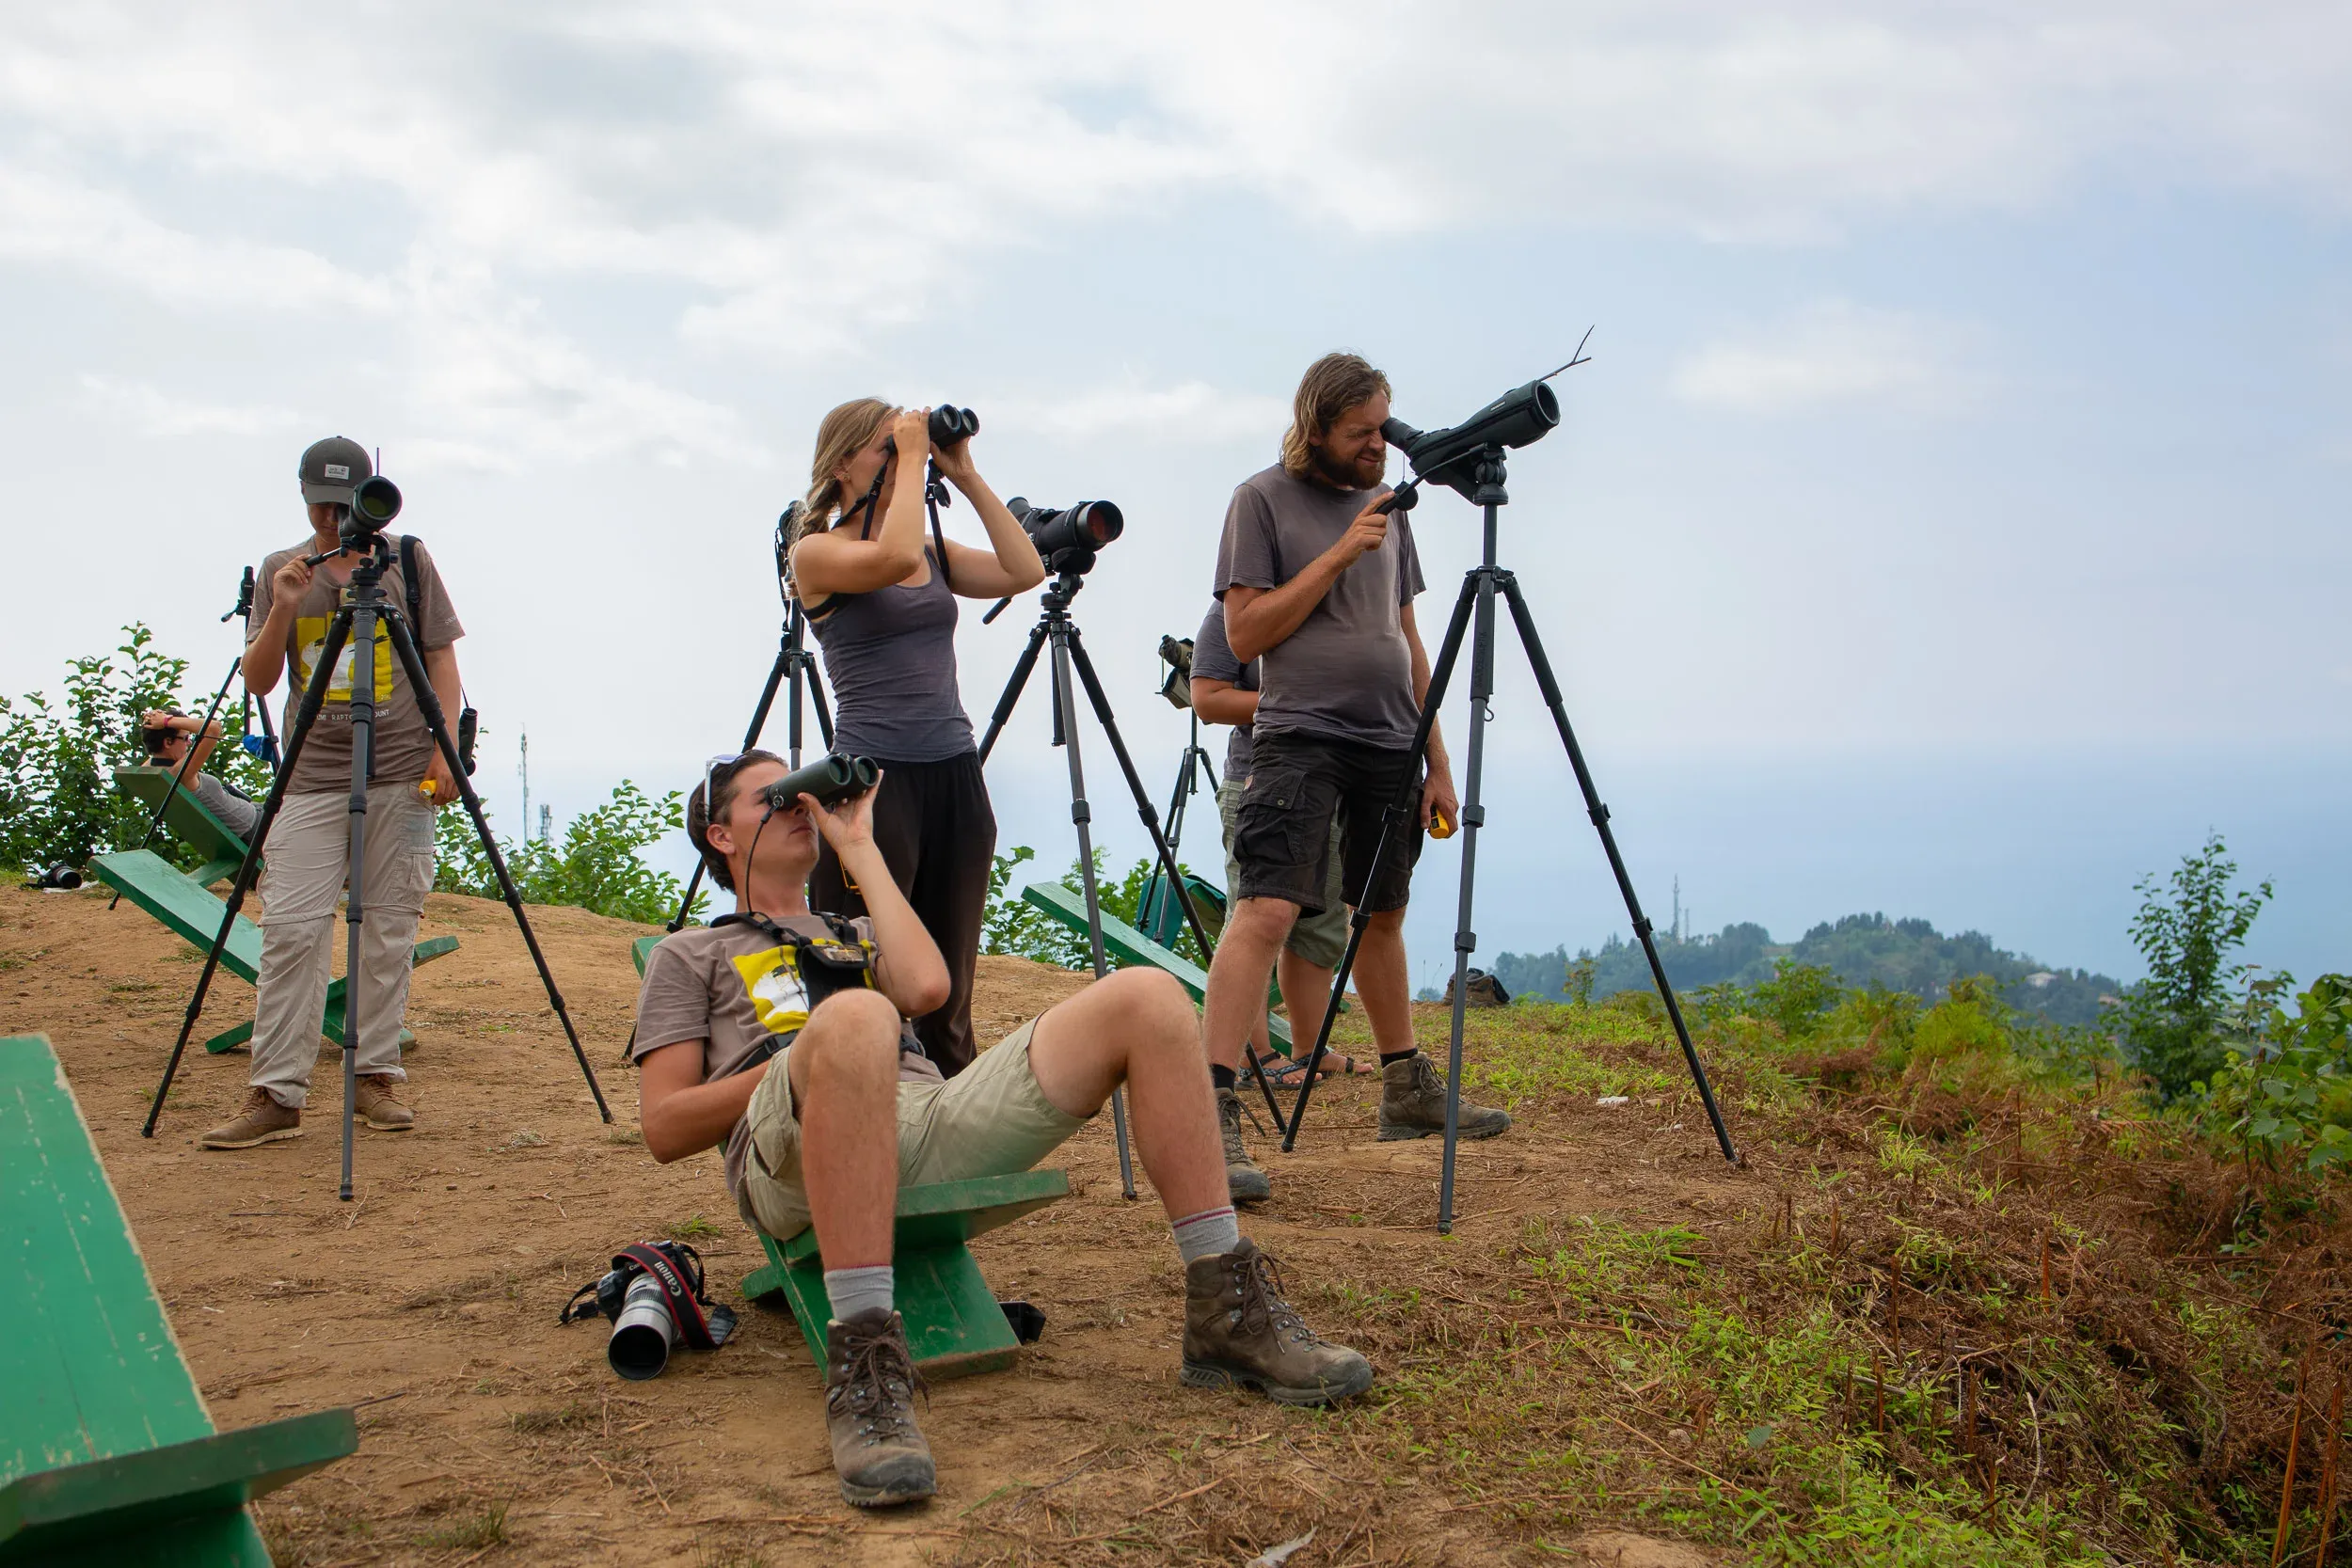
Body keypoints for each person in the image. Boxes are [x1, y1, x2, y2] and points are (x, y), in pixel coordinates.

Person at [634, 751, 1373, 1509]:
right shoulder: (691, 954)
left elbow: (926, 985)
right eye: (774, 797)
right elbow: (663, 1125)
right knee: (856, 1016)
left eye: (804, 791)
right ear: (721, 835)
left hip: (925, 1120)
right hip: (788, 1152)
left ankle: (1226, 1306)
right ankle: (866, 1366)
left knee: (1148, 995)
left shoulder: (853, 929)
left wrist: (859, 846)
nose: (800, 806)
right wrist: (823, 1057)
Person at [1201, 353, 1512, 1203]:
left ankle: (1405, 1088)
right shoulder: (1260, 500)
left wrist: (1436, 758)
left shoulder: (1393, 512)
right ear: (1317, 430)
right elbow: (1249, 628)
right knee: (1266, 907)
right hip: (1298, 734)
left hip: (1389, 740)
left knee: (1384, 912)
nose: (1381, 444)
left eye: (1385, 426)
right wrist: (1338, 553)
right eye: (1362, 432)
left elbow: (1406, 639)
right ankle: (1213, 1105)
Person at [199, 436, 464, 1150]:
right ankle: (276, 1092)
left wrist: (446, 749)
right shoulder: (280, 572)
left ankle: (375, 1074)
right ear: (303, 494)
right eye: (319, 501)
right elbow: (258, 680)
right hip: (312, 773)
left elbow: (441, 654)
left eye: (343, 504)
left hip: (404, 769)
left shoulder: (406, 559)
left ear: (367, 501)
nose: (330, 517)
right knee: (291, 928)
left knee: (388, 925)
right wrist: (283, 605)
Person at [786, 401, 1046, 1076]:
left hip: (953, 774)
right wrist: (910, 460)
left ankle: (952, 1119)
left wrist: (964, 474)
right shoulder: (817, 553)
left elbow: (1025, 571)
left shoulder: (932, 548)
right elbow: (891, 552)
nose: (907, 459)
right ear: (843, 464)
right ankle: (861, 1113)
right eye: (886, 449)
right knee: (865, 974)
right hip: (874, 785)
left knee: (949, 987)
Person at [1187, 602, 1375, 1117]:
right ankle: (1252, 1058)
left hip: (1339, 783)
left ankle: (1308, 1051)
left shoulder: (1348, 605)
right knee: (1257, 920)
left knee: (1322, 922)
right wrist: (1307, 707)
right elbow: (1208, 699)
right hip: (1261, 779)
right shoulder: (1232, 611)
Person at [139, 707, 260, 842]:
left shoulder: (150, 771)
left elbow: (155, 750)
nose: (190, 742)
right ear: (168, 742)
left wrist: (155, 720)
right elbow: (214, 728)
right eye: (186, 738)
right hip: (258, 825)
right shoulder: (180, 773)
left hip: (253, 813)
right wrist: (167, 721)